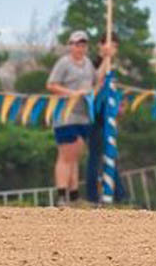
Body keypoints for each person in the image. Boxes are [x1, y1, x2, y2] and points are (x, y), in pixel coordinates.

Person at [46, 30, 110, 207]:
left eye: (83, 45)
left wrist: (106, 59)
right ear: (70, 45)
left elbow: (97, 80)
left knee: (75, 155)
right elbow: (51, 85)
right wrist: (73, 94)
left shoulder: (88, 63)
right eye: (76, 44)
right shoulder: (64, 63)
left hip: (83, 115)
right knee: (66, 154)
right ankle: (61, 195)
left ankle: (73, 195)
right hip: (66, 114)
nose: (80, 48)